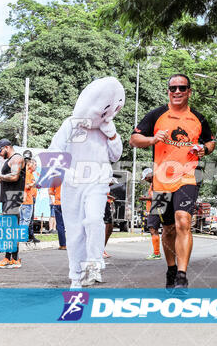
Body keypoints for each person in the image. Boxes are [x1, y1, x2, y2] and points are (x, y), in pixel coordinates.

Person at [130, 74, 215, 290]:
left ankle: (182, 275)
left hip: (187, 177)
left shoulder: (198, 118)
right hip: (160, 181)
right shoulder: (157, 115)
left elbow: (211, 142)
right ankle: (170, 268)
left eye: (182, 88)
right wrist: (152, 139)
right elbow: (133, 139)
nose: (177, 92)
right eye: (173, 88)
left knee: (183, 222)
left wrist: (203, 149)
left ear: (189, 91)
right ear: (168, 91)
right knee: (167, 229)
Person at [49, 76, 125, 289]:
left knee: (93, 220)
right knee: (74, 232)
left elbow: (116, 155)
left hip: (98, 181)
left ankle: (94, 262)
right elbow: (56, 149)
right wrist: (51, 175)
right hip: (72, 183)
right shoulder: (70, 124)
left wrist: (112, 136)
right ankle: (76, 277)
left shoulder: (108, 126)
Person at [0, 139, 25, 269]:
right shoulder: (10, 160)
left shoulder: (16, 159)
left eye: (0, 151)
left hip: (13, 197)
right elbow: (9, 178)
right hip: (9, 197)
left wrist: (0, 176)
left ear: (6, 147)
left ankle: (11, 259)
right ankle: (11, 259)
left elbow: (14, 176)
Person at [139, 168, 161, 260]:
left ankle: (156, 253)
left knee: (153, 229)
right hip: (155, 208)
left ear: (150, 174)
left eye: (146, 178)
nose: (146, 180)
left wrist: (145, 199)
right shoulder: (154, 183)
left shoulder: (156, 182)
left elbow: (158, 197)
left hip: (156, 208)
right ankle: (157, 252)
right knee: (154, 229)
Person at [49, 184, 66, 250]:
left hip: (58, 203)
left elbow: (50, 192)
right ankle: (72, 245)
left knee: (60, 225)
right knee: (69, 225)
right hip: (67, 203)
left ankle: (63, 245)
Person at [103, 193, 115, 258]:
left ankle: (102, 249)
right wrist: (110, 196)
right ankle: (100, 251)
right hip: (102, 203)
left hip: (108, 203)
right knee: (106, 228)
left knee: (110, 229)